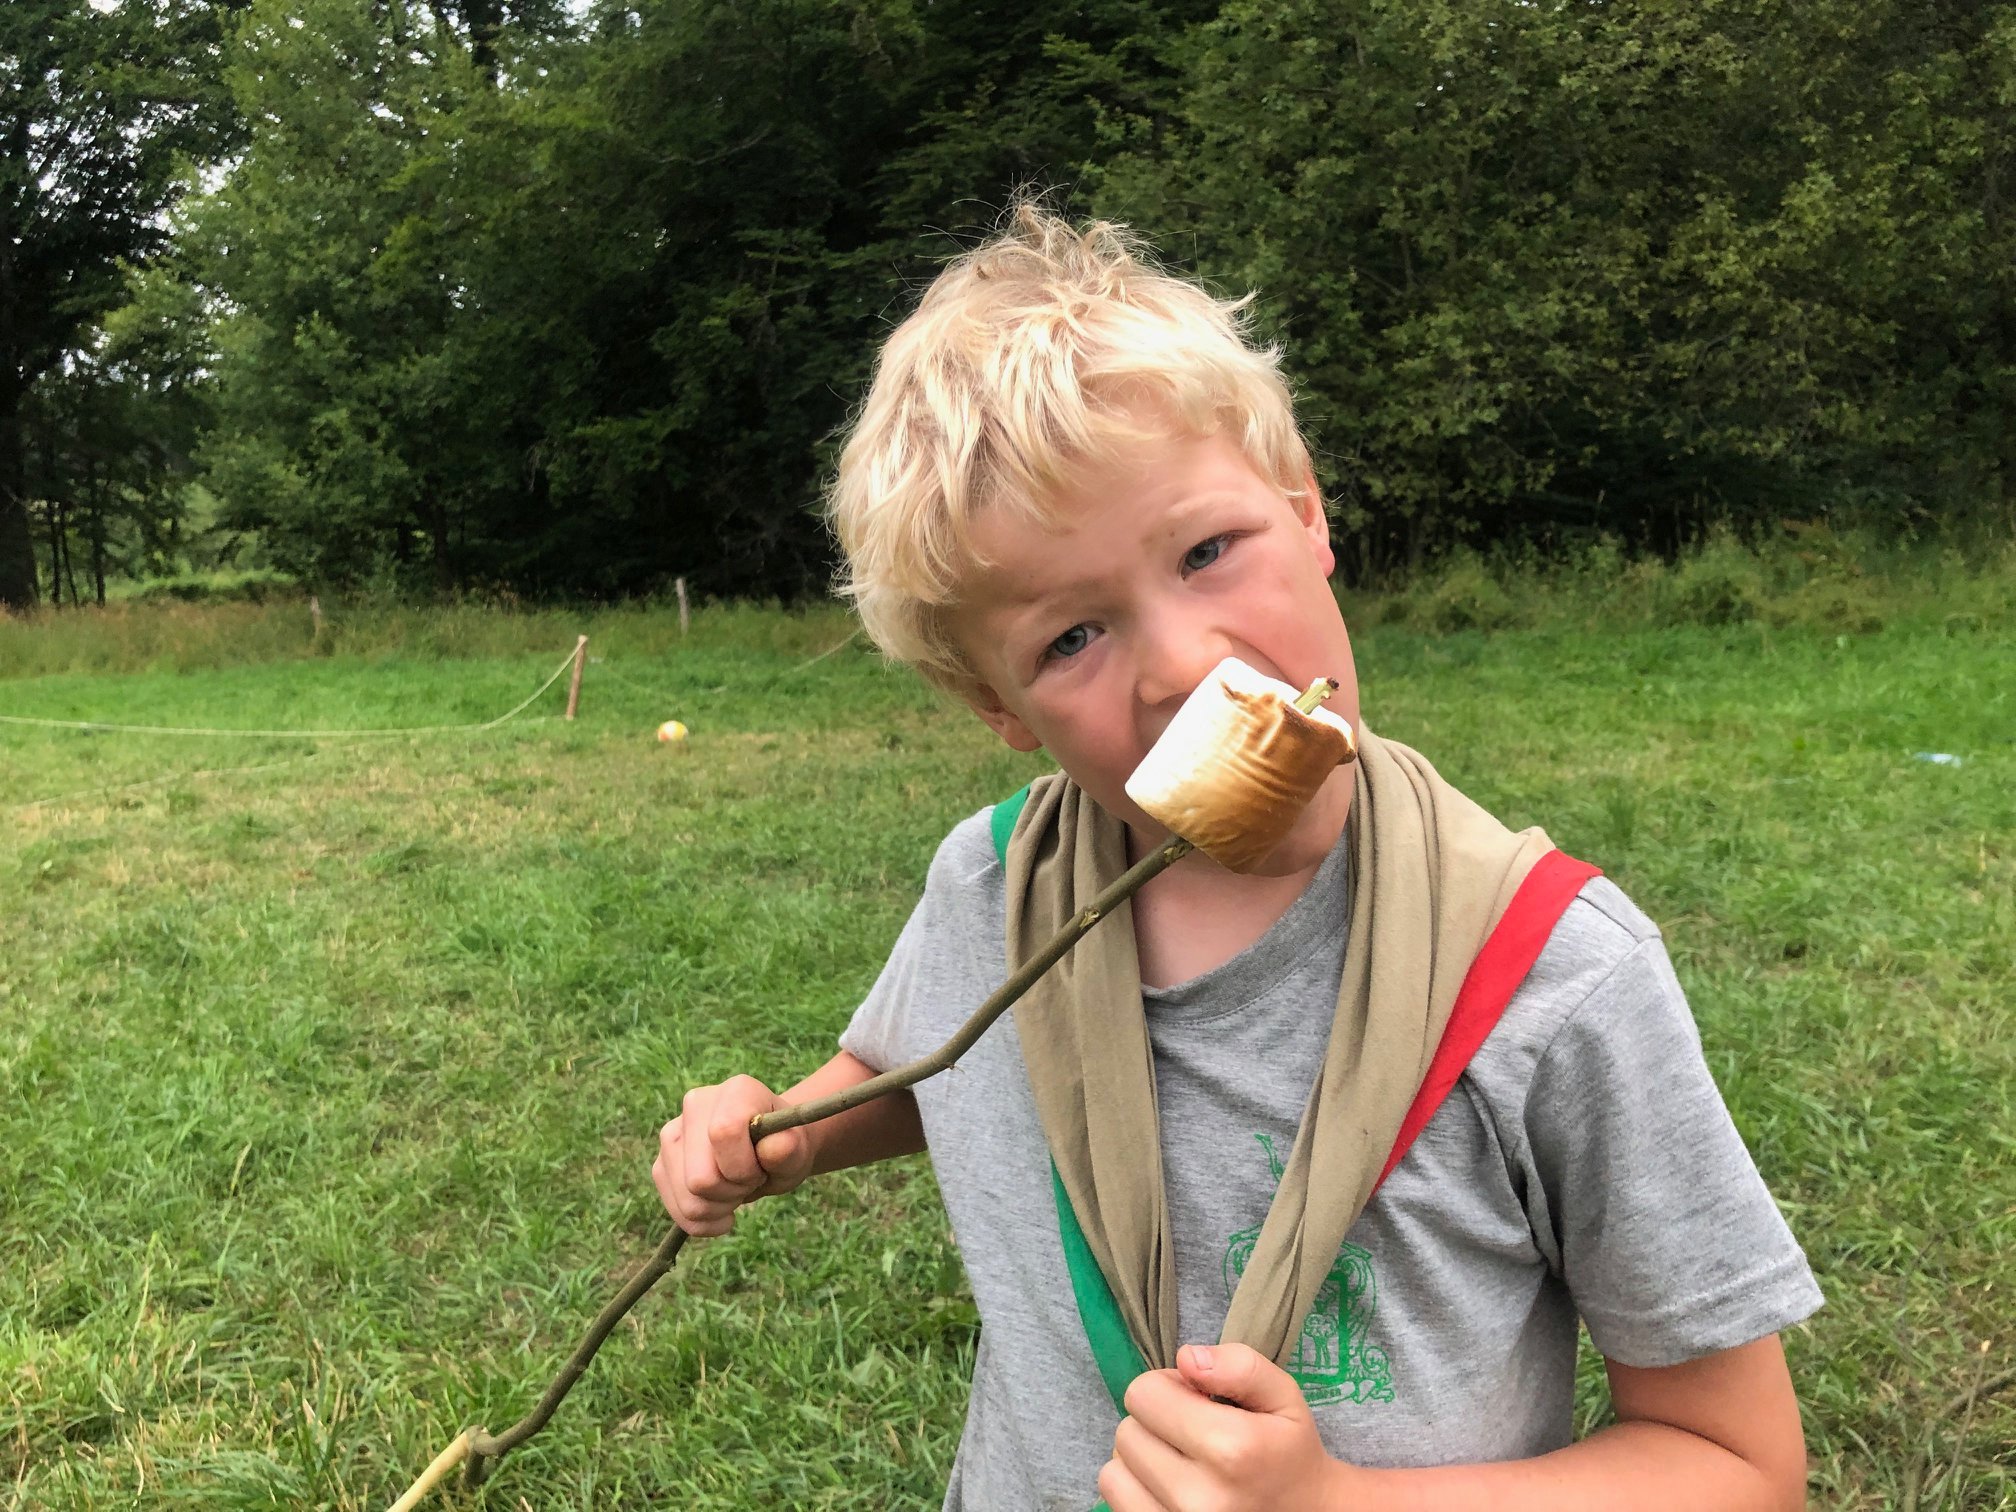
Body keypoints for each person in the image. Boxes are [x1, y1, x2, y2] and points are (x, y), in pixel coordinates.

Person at [651, 204, 1823, 1511]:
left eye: (1207, 552)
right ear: (997, 709)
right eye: (1070, 640)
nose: (1181, 664)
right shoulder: (993, 883)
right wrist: (789, 1134)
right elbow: (934, 1069)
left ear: (1307, 510)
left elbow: (1740, 1462)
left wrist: (1338, 1504)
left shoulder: (1556, 976)